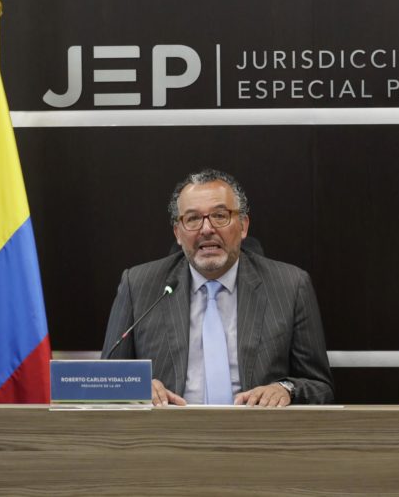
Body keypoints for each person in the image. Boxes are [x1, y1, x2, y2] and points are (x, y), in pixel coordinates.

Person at [101, 169, 334, 407]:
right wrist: (135, 386)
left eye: (220, 216)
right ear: (178, 233)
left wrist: (285, 389)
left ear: (243, 226)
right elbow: (104, 381)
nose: (206, 229)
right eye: (192, 219)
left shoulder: (290, 285)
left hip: (256, 437)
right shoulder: (139, 285)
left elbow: (320, 387)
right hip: (166, 437)